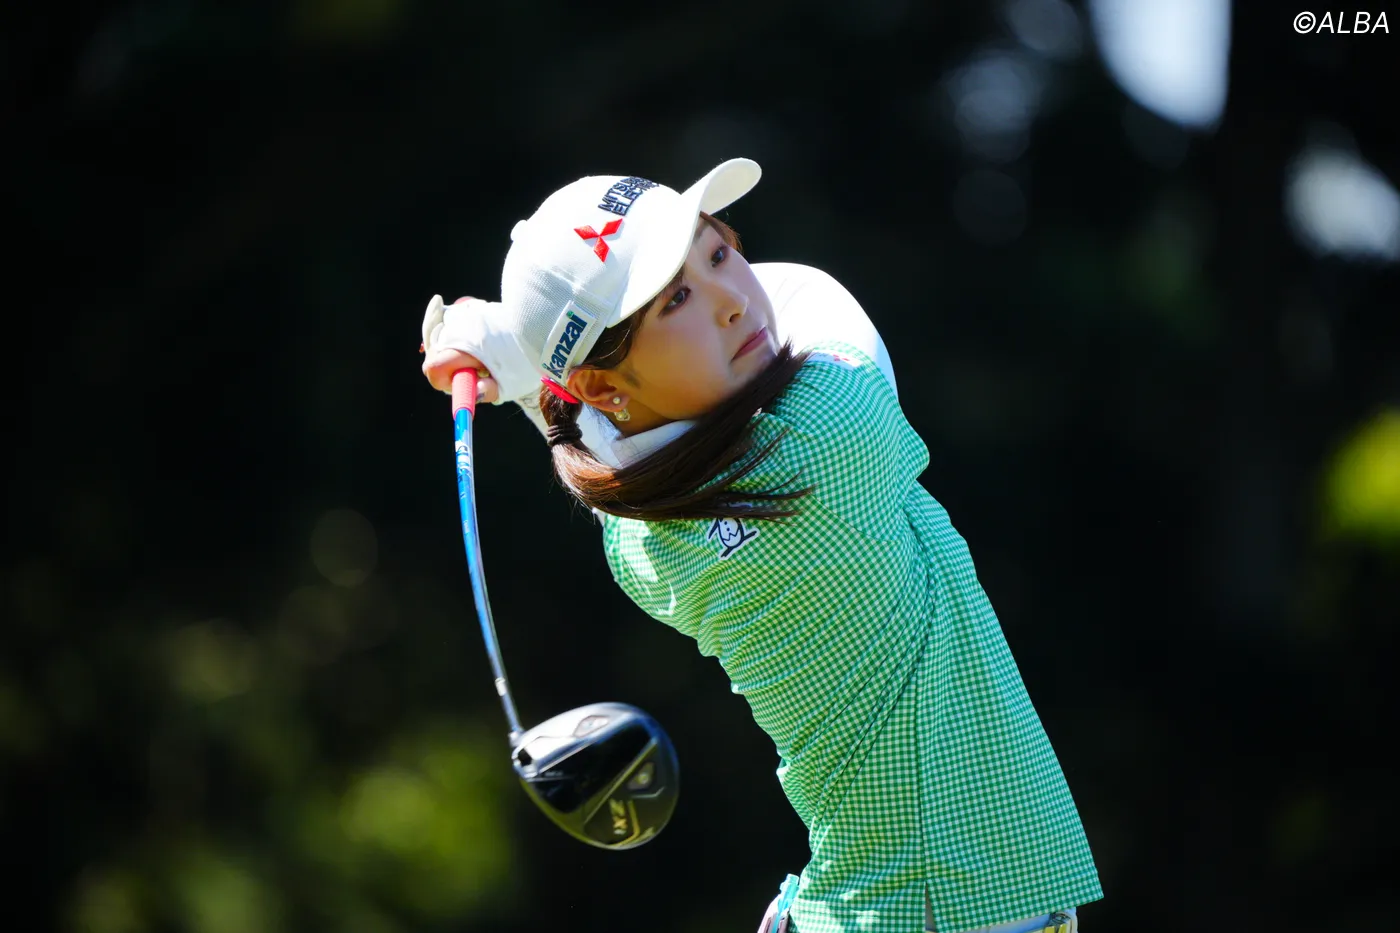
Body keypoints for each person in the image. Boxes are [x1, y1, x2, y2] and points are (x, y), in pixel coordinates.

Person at [418, 158, 1103, 933]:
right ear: (604, 387)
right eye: (676, 298)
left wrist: (518, 356)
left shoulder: (640, 546)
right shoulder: (830, 430)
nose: (733, 300)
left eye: (718, 252)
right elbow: (806, 292)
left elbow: (613, 427)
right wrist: (515, 353)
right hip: (940, 905)